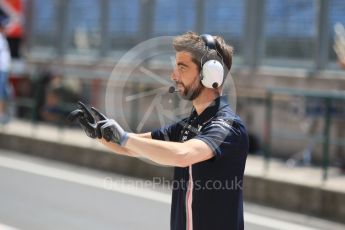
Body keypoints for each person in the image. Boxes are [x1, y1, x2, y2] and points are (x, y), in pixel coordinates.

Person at [69, 32, 249, 230]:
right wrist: (101, 134)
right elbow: (133, 146)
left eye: (182, 67)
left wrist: (124, 137)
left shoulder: (228, 126)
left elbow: (183, 154)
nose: (173, 75)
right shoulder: (189, 124)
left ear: (211, 73)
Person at [0, 16, 11, 122]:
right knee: (1, 92)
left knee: (5, 92)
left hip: (4, 69)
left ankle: (3, 114)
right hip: (1, 69)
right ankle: (1, 114)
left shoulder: (3, 38)